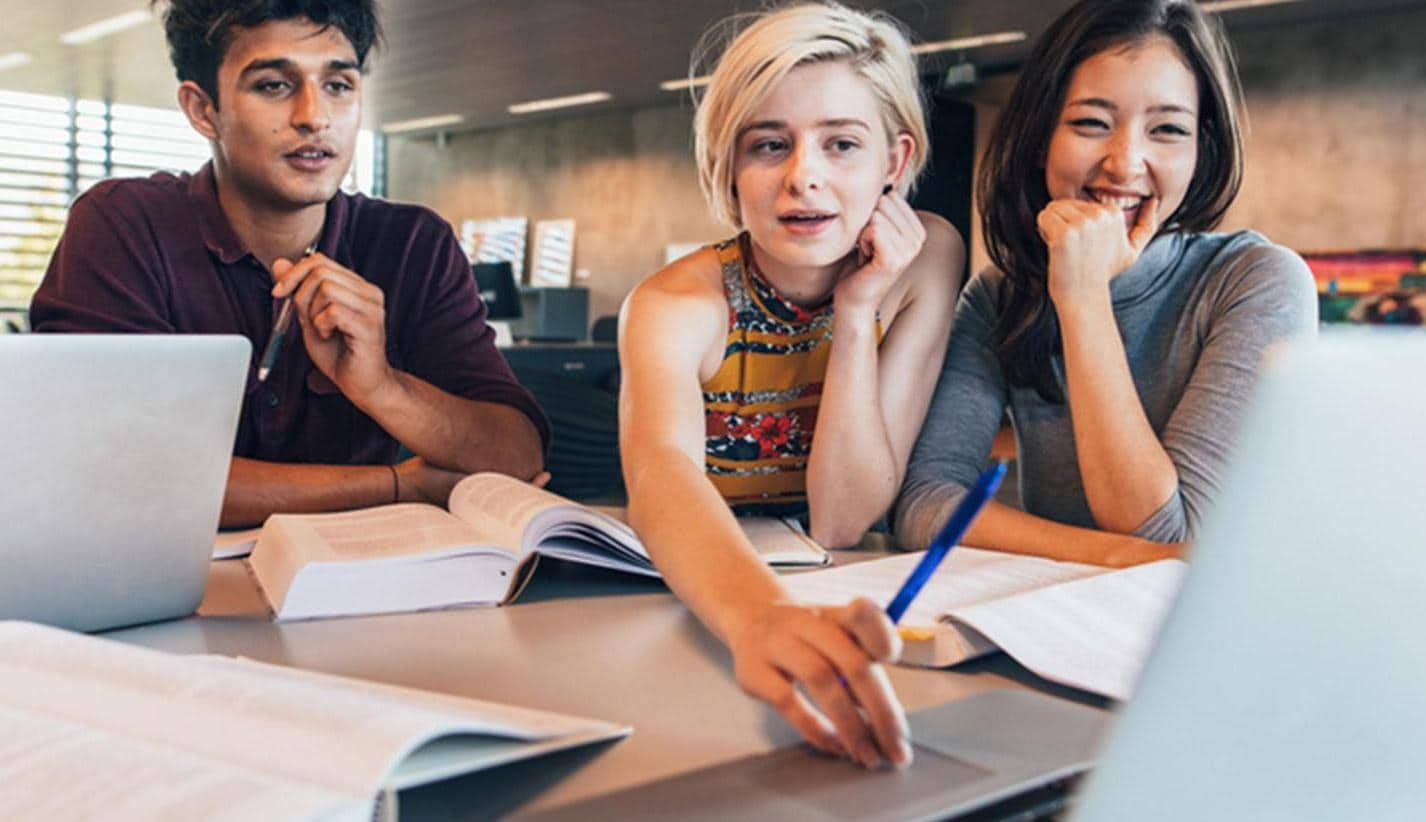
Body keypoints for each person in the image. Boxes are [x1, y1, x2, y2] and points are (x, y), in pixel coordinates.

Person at [30, 0, 549, 528]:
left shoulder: (413, 243)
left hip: (363, 593)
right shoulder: (126, 226)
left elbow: (516, 454)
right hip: (168, 588)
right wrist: (398, 487)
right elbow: (116, 475)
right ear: (202, 109)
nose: (314, 116)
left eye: (339, 86)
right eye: (274, 85)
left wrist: (382, 387)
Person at [618, 3, 964, 768]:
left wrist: (857, 310)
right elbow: (659, 474)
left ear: (893, 163)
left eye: (842, 144)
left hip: (843, 593)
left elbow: (843, 517)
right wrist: (758, 619)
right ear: (728, 167)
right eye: (769, 145)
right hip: (697, 604)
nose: (803, 174)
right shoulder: (674, 304)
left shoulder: (926, 260)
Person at [896, 0, 1317, 566]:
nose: (1126, 163)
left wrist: (1082, 297)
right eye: (1092, 123)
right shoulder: (998, 295)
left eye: (1167, 129)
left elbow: (1164, 527)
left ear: (1201, 150)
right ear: (1041, 137)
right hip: (1056, 621)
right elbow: (925, 504)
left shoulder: (1257, 282)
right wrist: (1114, 555)